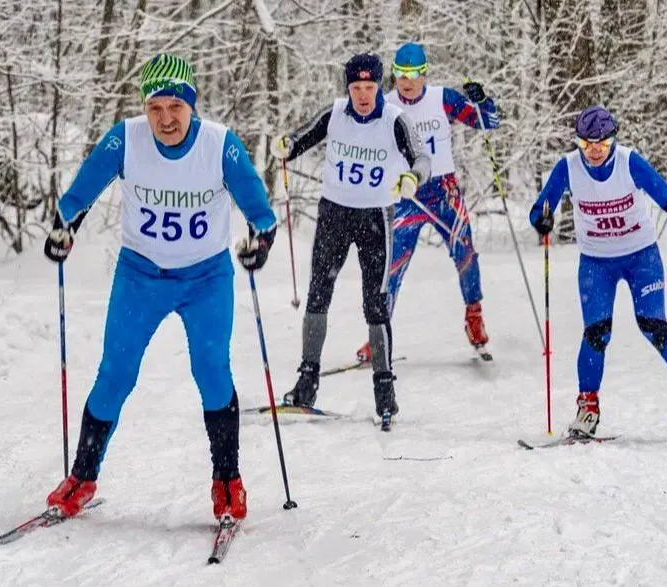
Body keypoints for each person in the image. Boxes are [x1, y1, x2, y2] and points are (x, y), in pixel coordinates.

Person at [41, 54, 277, 521]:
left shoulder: (218, 145)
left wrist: (261, 242)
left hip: (206, 277)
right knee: (115, 374)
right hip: (141, 275)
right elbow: (82, 190)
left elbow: (259, 208)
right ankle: (82, 476)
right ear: (144, 108)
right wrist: (64, 226)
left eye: (176, 107)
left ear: (192, 105)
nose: (166, 119)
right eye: (156, 108)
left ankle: (227, 479)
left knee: (211, 371)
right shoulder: (125, 139)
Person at [529, 105, 667, 438]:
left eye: (601, 145)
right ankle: (587, 408)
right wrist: (542, 220)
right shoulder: (569, 167)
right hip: (595, 262)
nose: (593, 151)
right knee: (596, 333)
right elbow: (539, 208)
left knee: (653, 325)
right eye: (586, 144)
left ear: (613, 141)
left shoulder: (629, 163)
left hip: (640, 258)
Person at [270, 53, 431, 421]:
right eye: (356, 87)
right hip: (335, 215)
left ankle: (384, 390)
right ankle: (306, 381)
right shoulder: (336, 113)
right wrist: (287, 146)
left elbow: (422, 158)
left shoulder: (394, 120)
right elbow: (300, 138)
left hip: (376, 217)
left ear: (380, 86)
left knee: (375, 303)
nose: (362, 94)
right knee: (318, 295)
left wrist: (413, 178)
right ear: (348, 87)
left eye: (369, 87)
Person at [352, 42, 501, 363]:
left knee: (466, 254)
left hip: (443, 191)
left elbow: (490, 121)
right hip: (405, 194)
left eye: (414, 74)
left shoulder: (441, 99)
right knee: (391, 268)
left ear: (424, 74)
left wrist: (482, 100)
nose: (407, 81)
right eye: (401, 74)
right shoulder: (384, 103)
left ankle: (474, 317)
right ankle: (378, 336)